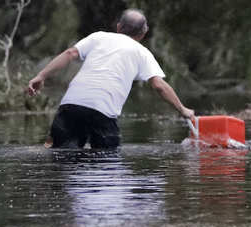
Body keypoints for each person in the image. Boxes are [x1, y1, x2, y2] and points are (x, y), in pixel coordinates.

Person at [27, 9, 194, 149]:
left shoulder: (98, 37)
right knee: (107, 165)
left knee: (61, 159)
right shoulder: (142, 52)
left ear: (119, 26)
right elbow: (159, 85)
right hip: (103, 112)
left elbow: (70, 53)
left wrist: (41, 76)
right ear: (143, 33)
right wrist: (183, 109)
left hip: (71, 106)